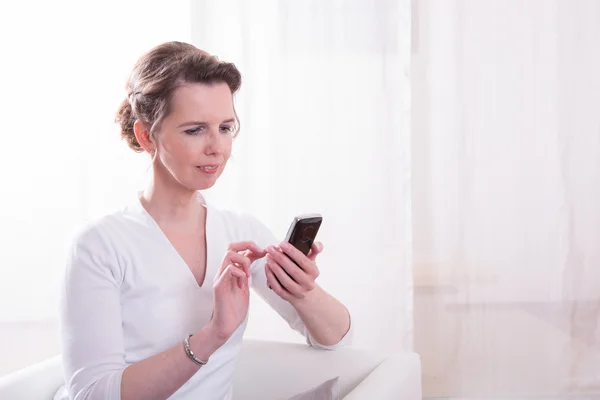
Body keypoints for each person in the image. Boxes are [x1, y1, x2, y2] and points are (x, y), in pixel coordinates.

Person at [59, 41, 352, 400]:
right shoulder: (100, 245)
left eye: (226, 127)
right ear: (146, 136)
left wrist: (304, 291)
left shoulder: (240, 231)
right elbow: (92, 394)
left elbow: (338, 340)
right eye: (195, 130)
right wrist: (213, 334)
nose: (217, 147)